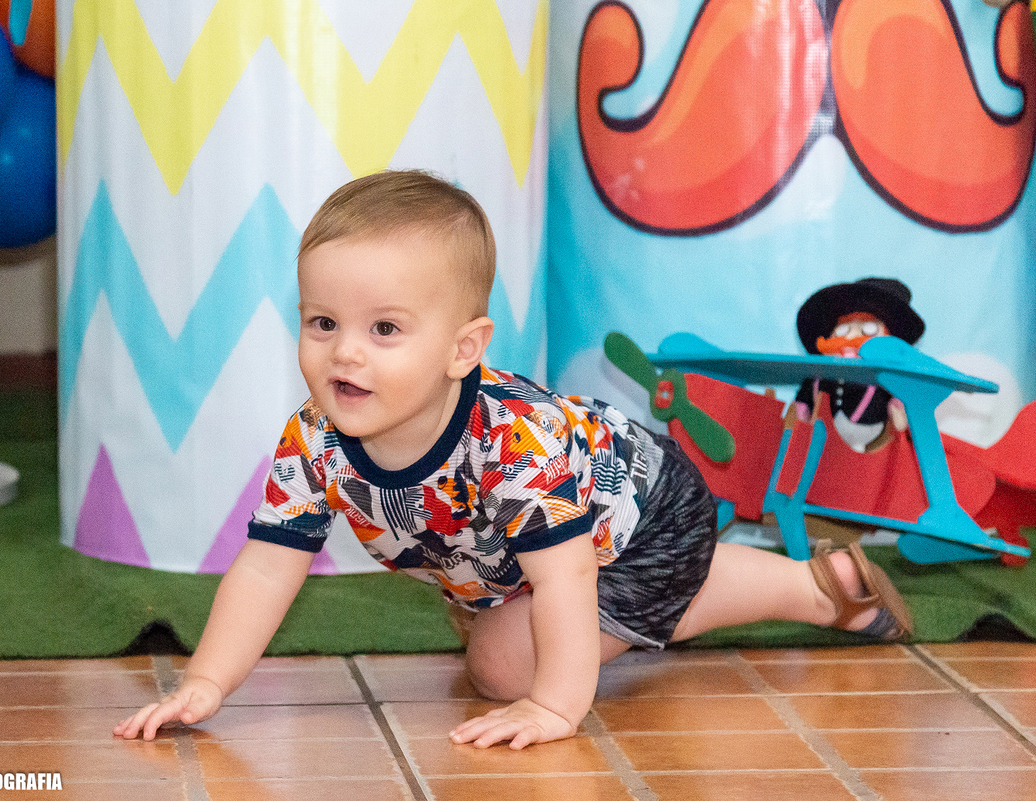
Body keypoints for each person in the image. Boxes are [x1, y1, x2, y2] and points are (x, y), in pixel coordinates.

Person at [114, 170, 913, 751]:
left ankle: (803, 593)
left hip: (648, 518)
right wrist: (206, 681)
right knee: (510, 613)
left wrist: (556, 705)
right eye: (322, 322)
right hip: (568, 541)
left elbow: (564, 576)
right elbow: (265, 567)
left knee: (501, 664)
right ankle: (816, 581)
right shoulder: (315, 438)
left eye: (384, 329)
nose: (344, 352)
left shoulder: (508, 443)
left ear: (465, 349)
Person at [792, 278, 926, 451]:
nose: (852, 337)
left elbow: (898, 392)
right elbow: (806, 393)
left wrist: (899, 408)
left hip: (865, 436)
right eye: (843, 329)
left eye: (868, 329)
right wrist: (801, 409)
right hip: (819, 437)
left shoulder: (883, 374)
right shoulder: (822, 372)